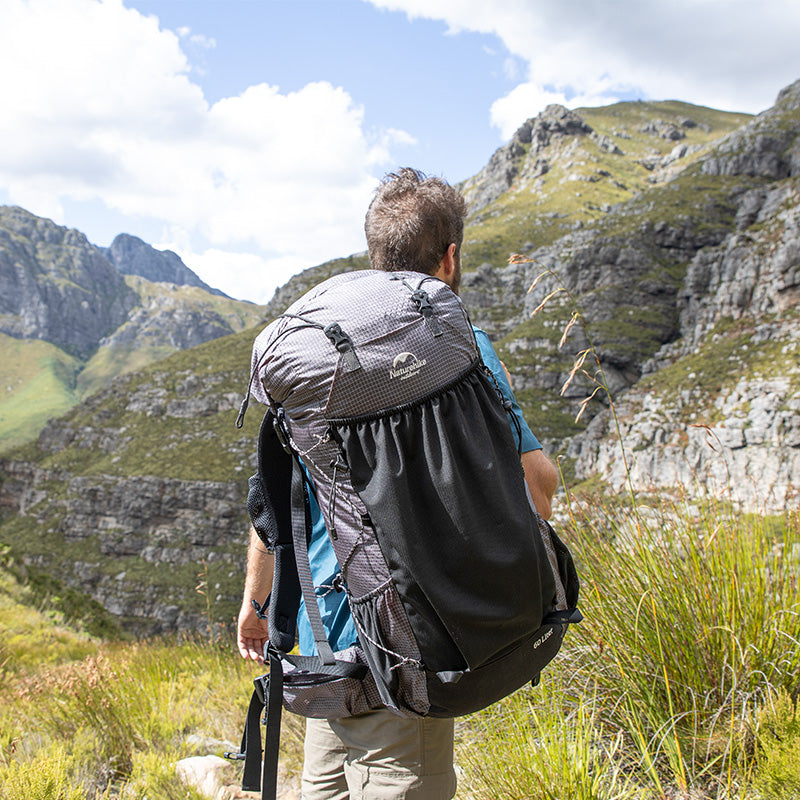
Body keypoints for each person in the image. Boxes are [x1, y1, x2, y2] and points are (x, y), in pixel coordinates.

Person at [237, 168, 559, 800]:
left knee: (323, 786)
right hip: (403, 635)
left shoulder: (318, 362)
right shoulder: (458, 345)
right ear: (450, 257)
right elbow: (538, 491)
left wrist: (256, 604)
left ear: (374, 255)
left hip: (319, 639)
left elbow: (275, 504)